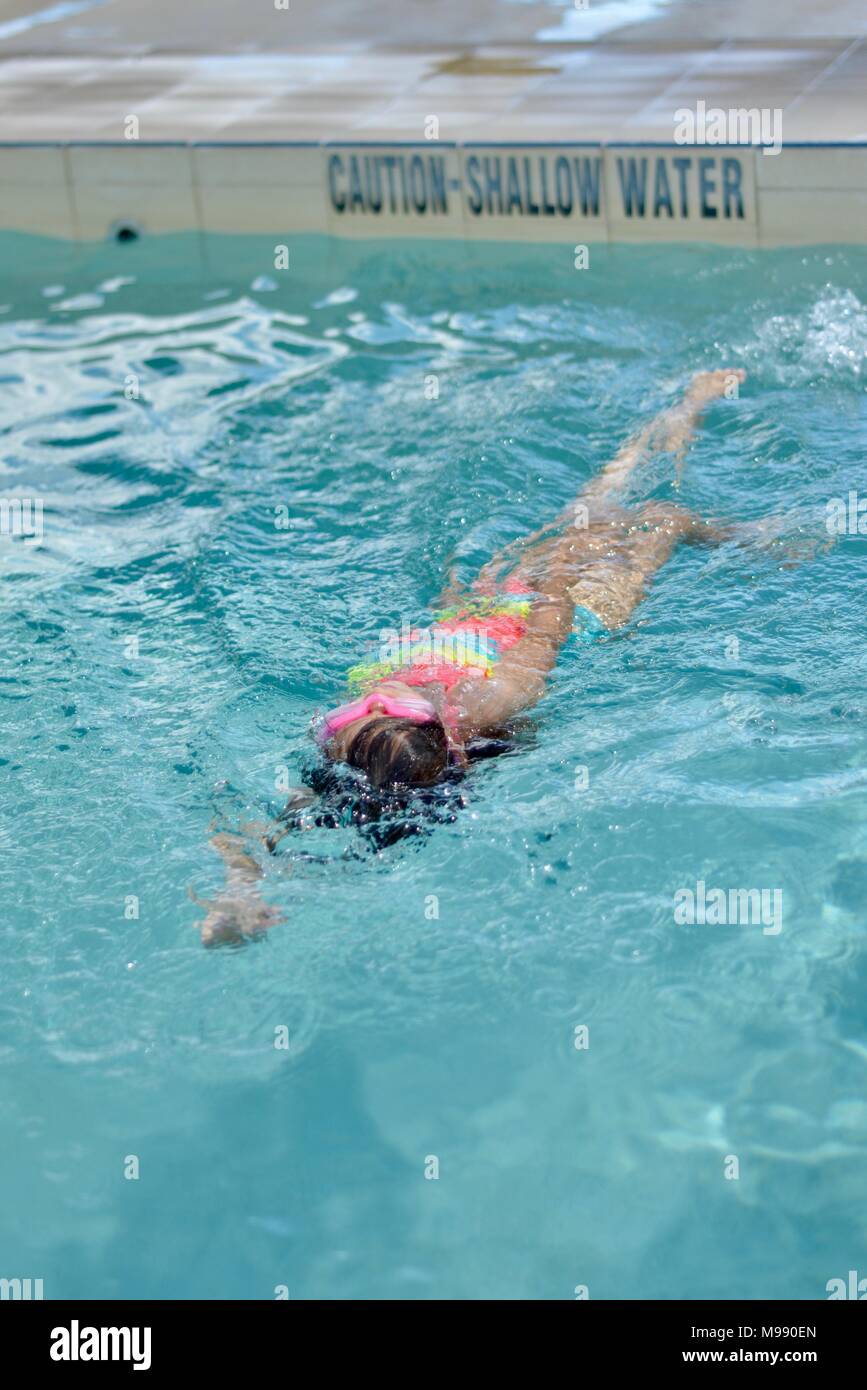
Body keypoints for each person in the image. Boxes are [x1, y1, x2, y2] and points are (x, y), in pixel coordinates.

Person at [198, 368, 745, 945]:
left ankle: (681, 406)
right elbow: (545, 639)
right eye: (382, 706)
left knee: (588, 507)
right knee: (659, 519)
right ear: (442, 731)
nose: (371, 701)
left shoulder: (348, 754)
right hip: (569, 611)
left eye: (360, 711)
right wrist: (556, 574)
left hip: (474, 613)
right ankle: (729, 510)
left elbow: (241, 828)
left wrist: (241, 886)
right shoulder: (487, 702)